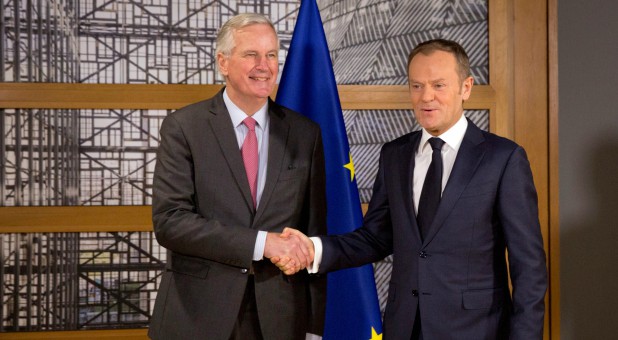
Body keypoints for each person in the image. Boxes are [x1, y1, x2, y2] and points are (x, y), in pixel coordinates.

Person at [275, 39, 547, 339]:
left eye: (439, 85)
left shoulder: (503, 158)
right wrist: (315, 249)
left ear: (466, 88)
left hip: (477, 331)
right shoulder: (395, 154)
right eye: (417, 86)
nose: (426, 97)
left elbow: (529, 268)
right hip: (404, 328)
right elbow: (376, 238)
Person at [148, 13, 327, 340]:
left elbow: (312, 232)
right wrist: (263, 243)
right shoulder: (184, 128)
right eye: (251, 55)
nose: (265, 65)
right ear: (223, 62)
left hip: (280, 319)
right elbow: (170, 221)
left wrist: (313, 328)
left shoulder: (305, 134)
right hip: (197, 316)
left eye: (271, 54)